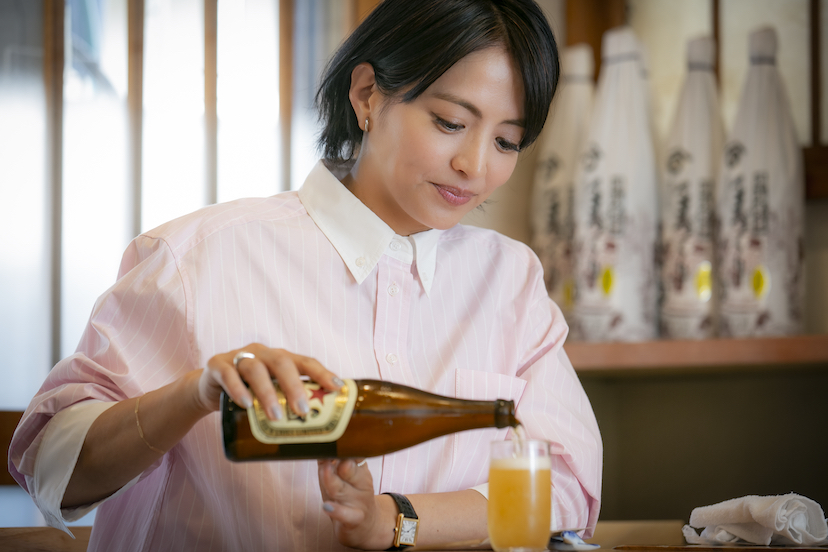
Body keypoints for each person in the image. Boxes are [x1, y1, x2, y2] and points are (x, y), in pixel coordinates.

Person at [9, 0, 602, 550]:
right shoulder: (196, 257)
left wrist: (393, 520)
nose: (474, 165)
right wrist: (192, 394)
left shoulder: (509, 279)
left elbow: (566, 485)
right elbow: (52, 466)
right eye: (450, 122)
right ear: (367, 95)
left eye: (506, 140)